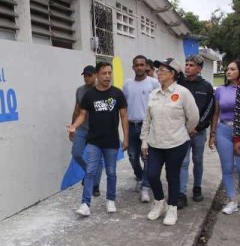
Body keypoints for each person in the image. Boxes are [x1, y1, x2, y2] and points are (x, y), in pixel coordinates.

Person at [140, 58, 199, 225]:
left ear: (172, 74)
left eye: (162, 70)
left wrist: (182, 132)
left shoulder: (183, 93)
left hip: (176, 144)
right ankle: (159, 203)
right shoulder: (154, 93)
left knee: (172, 176)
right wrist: (144, 141)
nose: (158, 73)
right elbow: (147, 120)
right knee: (152, 175)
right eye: (158, 70)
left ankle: (172, 208)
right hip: (155, 143)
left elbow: (193, 118)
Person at [67, 62, 128, 216]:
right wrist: (74, 126)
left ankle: (110, 199)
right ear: (98, 75)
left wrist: (126, 138)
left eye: (110, 73)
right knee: (90, 171)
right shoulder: (89, 95)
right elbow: (82, 114)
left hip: (111, 141)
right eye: (104, 73)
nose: (108, 76)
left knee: (111, 172)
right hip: (94, 141)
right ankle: (85, 204)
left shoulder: (117, 94)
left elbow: (124, 116)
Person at [177, 55, 215, 208]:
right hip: (182, 132)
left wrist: (198, 127)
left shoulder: (206, 87)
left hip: (198, 133)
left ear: (199, 69)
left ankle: (197, 187)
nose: (187, 67)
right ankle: (181, 193)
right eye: (186, 64)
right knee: (183, 162)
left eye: (191, 65)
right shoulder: (180, 84)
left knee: (198, 160)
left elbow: (209, 109)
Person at [123, 55, 160, 203]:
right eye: (136, 65)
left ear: (146, 66)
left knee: (147, 157)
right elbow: (123, 108)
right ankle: (139, 177)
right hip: (132, 126)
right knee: (132, 156)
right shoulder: (127, 84)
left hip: (148, 126)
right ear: (133, 67)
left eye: (142, 65)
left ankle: (145, 187)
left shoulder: (154, 83)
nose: (139, 67)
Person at [208, 59, 240, 214]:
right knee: (227, 168)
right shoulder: (220, 90)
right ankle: (232, 200)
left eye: (232, 69)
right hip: (223, 131)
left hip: (239, 132)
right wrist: (213, 134)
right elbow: (216, 113)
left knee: (239, 167)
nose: (228, 72)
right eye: (227, 69)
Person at [70, 65, 103, 196]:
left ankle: (95, 185)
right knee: (76, 153)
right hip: (82, 129)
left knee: (97, 159)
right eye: (84, 75)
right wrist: (73, 127)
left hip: (97, 131)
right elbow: (77, 109)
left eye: (89, 75)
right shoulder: (80, 90)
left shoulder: (101, 90)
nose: (86, 78)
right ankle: (90, 174)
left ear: (95, 75)